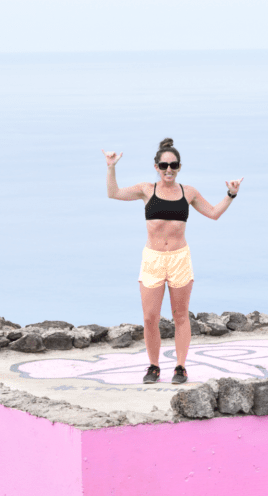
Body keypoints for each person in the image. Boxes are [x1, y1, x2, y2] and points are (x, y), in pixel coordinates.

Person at [103, 137, 243, 384]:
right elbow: (113, 193)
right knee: (150, 318)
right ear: (156, 166)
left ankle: (180, 367)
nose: (169, 169)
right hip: (153, 260)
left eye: (173, 165)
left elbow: (213, 213)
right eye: (164, 165)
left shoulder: (188, 192)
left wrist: (231, 194)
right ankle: (154, 366)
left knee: (180, 316)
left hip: (179, 259)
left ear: (179, 167)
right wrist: (111, 167)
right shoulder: (147, 189)